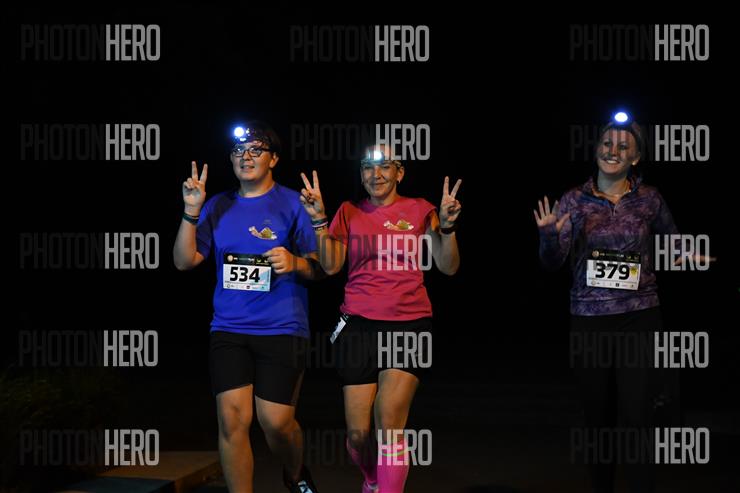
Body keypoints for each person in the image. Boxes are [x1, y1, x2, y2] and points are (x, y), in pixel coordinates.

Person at [533, 112, 713, 493]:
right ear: (596, 150)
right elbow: (552, 263)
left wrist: (687, 254)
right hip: (589, 320)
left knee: (636, 416)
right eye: (606, 144)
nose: (612, 151)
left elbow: (673, 242)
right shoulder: (573, 200)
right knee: (597, 418)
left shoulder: (650, 199)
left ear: (635, 157)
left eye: (623, 146)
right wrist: (548, 237)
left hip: (639, 317)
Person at [298, 144, 462, 493]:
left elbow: (448, 266)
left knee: (388, 421)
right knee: (359, 437)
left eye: (385, 166)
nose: (376, 175)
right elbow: (331, 266)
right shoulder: (349, 211)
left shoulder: (421, 209)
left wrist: (447, 229)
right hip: (358, 326)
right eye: (367, 168)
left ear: (400, 172)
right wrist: (319, 221)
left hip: (409, 324)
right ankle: (372, 480)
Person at [173, 121, 322, 493]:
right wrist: (191, 211)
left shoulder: (294, 203)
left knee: (276, 423)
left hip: (282, 328)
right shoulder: (217, 205)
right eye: (239, 150)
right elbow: (184, 261)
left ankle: (295, 473)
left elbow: (323, 267)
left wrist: (296, 263)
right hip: (229, 329)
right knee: (232, 421)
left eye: (257, 149)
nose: (247, 157)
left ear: (274, 159)